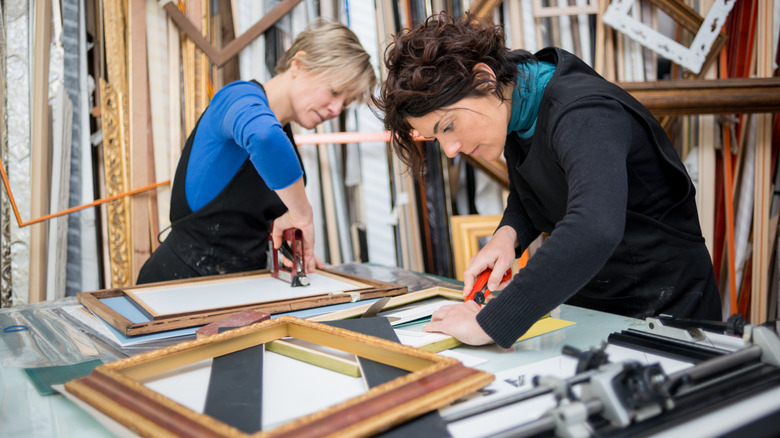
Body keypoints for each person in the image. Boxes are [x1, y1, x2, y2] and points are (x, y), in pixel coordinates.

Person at [374, 13, 721, 348]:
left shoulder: (584, 113)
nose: (450, 150)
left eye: (448, 126)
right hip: (594, 300)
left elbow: (593, 227)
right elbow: (539, 186)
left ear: (484, 79)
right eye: (436, 139)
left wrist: (491, 321)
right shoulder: (513, 104)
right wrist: (507, 237)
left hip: (667, 304)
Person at [137, 20, 377, 284]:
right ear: (298, 65)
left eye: (345, 103)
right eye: (334, 92)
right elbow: (263, 136)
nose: (335, 109)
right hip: (178, 287)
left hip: (236, 290)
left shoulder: (284, 133)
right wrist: (303, 213)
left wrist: (284, 245)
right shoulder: (238, 97)